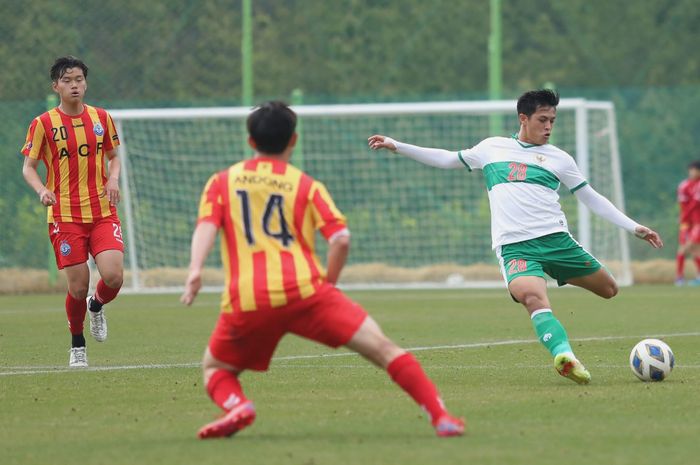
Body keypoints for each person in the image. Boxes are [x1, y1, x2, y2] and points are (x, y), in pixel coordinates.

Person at [181, 101, 464, 439]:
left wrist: (195, 269)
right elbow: (341, 239)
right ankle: (440, 416)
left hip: (249, 299)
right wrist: (329, 284)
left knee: (216, 368)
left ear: (251, 142)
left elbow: (206, 226)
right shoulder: (306, 186)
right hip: (307, 293)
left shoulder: (222, 182)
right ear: (294, 141)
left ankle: (237, 405)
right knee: (385, 349)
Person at [368, 89, 663, 385]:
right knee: (533, 297)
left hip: (556, 241)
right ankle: (565, 356)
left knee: (610, 289)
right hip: (515, 248)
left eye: (552, 121)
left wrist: (633, 227)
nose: (548, 127)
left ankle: (554, 271)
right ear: (523, 118)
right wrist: (397, 145)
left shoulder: (560, 159)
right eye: (542, 119)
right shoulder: (492, 148)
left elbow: (591, 197)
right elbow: (447, 159)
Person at [21, 56, 124, 367]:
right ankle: (77, 344)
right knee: (77, 287)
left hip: (103, 210)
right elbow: (29, 167)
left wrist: (114, 178)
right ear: (56, 86)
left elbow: (114, 156)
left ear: (86, 83)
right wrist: (42, 190)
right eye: (67, 80)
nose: (75, 85)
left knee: (114, 276)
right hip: (65, 215)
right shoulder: (43, 124)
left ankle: (98, 305)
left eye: (79, 79)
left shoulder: (101, 118)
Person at [675, 160, 700, 286]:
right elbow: (683, 204)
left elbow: (695, 204)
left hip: (698, 222)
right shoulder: (683, 185)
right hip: (686, 223)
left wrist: (684, 217)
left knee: (690, 247)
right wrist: (683, 218)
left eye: (695, 170)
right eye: (691, 170)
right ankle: (679, 277)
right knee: (686, 249)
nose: (693, 172)